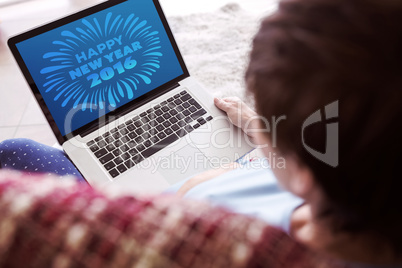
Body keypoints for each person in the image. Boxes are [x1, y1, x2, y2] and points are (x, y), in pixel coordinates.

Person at [1, 0, 402, 266]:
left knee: (13, 151)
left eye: (277, 128)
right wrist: (256, 127)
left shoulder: (223, 245)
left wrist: (195, 185)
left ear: (304, 171)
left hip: (155, 201)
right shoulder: (365, 190)